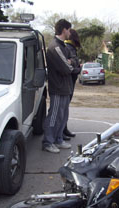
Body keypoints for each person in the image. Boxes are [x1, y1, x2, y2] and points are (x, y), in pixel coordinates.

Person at [42, 19, 74, 153]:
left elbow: (73, 59)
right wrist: (72, 65)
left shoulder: (63, 46)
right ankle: (47, 142)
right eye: (69, 29)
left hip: (65, 88)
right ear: (64, 30)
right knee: (54, 116)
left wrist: (72, 62)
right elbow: (68, 68)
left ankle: (58, 139)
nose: (70, 32)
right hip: (57, 88)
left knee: (63, 115)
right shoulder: (55, 47)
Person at [63, 29, 81, 140]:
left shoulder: (70, 47)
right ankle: (62, 131)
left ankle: (64, 129)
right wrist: (79, 68)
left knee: (65, 107)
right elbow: (70, 67)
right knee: (64, 108)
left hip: (70, 81)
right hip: (68, 81)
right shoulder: (68, 48)